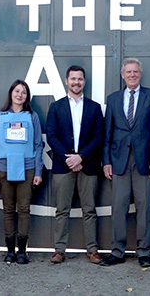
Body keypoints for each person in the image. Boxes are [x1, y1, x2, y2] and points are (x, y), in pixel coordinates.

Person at [101, 58, 150, 268]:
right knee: (118, 208)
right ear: (122, 75)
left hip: (144, 162)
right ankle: (117, 252)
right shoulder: (113, 99)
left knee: (144, 207)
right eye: (128, 72)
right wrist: (106, 161)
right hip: (118, 161)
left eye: (135, 71)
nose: (132, 75)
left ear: (141, 74)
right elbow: (107, 134)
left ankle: (143, 252)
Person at [46, 65, 105, 264]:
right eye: (73, 79)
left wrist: (81, 157)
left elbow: (99, 136)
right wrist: (69, 158)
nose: (76, 82)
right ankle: (59, 250)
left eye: (80, 79)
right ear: (66, 81)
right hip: (63, 167)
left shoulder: (94, 107)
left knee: (89, 209)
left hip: (88, 166)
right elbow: (52, 137)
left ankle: (92, 250)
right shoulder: (56, 107)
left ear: (84, 82)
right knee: (62, 209)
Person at [0, 80, 43, 264]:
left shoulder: (32, 116)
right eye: (17, 91)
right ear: (11, 93)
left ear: (27, 96)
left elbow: (37, 145)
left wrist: (38, 171)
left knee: (24, 209)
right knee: (8, 210)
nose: (20, 95)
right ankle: (10, 250)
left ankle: (22, 251)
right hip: (4, 168)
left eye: (24, 92)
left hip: (27, 168)